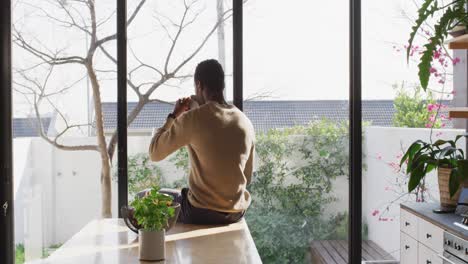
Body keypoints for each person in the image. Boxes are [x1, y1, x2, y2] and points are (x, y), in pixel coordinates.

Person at [148, 59, 255, 225]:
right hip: (236, 212)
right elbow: (246, 177)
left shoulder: (193, 119)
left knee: (148, 197)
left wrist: (174, 116)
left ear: (199, 85)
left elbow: (154, 153)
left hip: (199, 211)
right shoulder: (245, 122)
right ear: (222, 85)